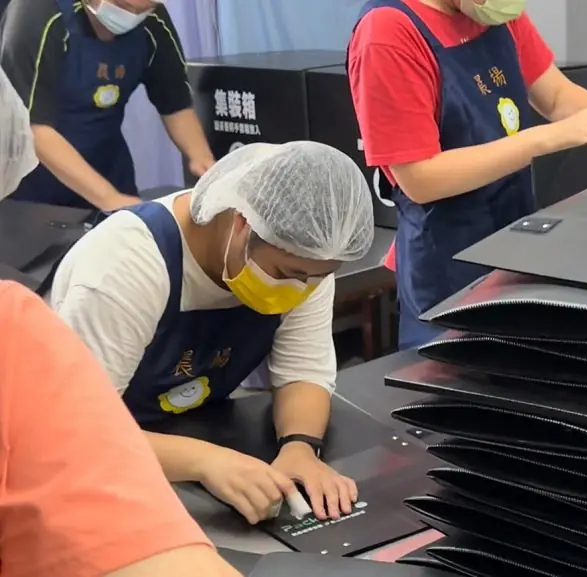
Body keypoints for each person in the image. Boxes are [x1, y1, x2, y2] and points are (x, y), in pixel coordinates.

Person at [45, 141, 375, 524]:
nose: (302, 289)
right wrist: (205, 461)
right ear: (242, 223)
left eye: (318, 277)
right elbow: (80, 431)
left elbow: (303, 371)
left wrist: (299, 447)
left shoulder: (306, 259)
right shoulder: (125, 266)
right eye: (288, 274)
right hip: (88, 460)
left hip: (187, 429)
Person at [0, 61, 239, 577]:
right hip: (51, 202)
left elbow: (128, 544)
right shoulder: (17, 328)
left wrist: (206, 166)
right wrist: (108, 201)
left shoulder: (13, 333)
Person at [348, 0, 587, 348]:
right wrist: (540, 140)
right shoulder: (388, 32)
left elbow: (555, 96)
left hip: (517, 243)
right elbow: (420, 178)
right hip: (448, 266)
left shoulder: (495, 11)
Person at [0, 0, 216, 210]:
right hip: (28, 187)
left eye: (140, 11)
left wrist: (205, 164)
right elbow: (33, 128)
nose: (130, 16)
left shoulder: (151, 21)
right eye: (122, 6)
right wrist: (109, 199)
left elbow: (176, 104)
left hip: (107, 171)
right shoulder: (38, 11)